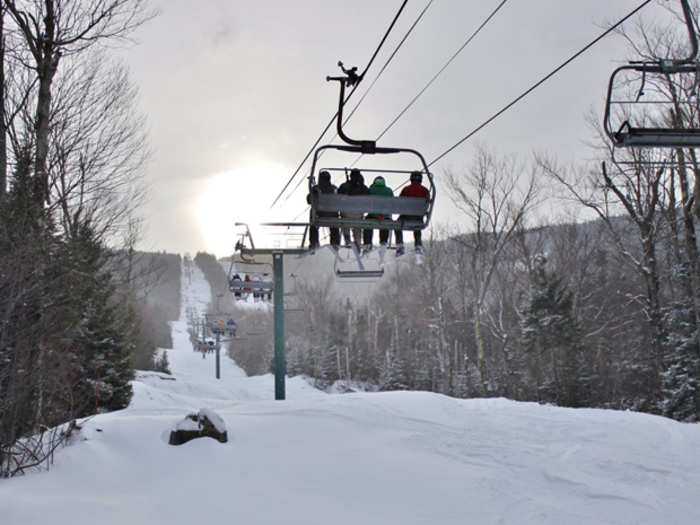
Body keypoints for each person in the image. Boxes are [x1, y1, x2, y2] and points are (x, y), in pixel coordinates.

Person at [394, 171, 430, 256]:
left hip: (406, 216)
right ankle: (418, 245)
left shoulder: (406, 189)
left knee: (397, 225)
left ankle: (400, 246)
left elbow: (400, 202)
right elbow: (427, 204)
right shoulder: (425, 190)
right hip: (418, 217)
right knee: (417, 226)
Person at [307, 170, 340, 250]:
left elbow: (309, 200)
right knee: (334, 224)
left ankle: (314, 242)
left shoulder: (316, 188)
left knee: (313, 220)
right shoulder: (334, 188)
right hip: (333, 215)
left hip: (320, 214)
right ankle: (335, 242)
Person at [337, 168, 370, 248]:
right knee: (357, 226)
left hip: (346, 213)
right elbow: (368, 200)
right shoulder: (363, 187)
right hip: (358, 213)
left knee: (345, 220)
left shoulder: (344, 186)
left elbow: (338, 198)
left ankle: (347, 239)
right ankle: (358, 242)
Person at [362, 175, 393, 251]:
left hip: (373, 215)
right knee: (385, 222)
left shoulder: (371, 190)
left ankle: (367, 243)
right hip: (385, 216)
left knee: (368, 222)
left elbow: (366, 203)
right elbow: (392, 204)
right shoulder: (389, 190)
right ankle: (383, 242)